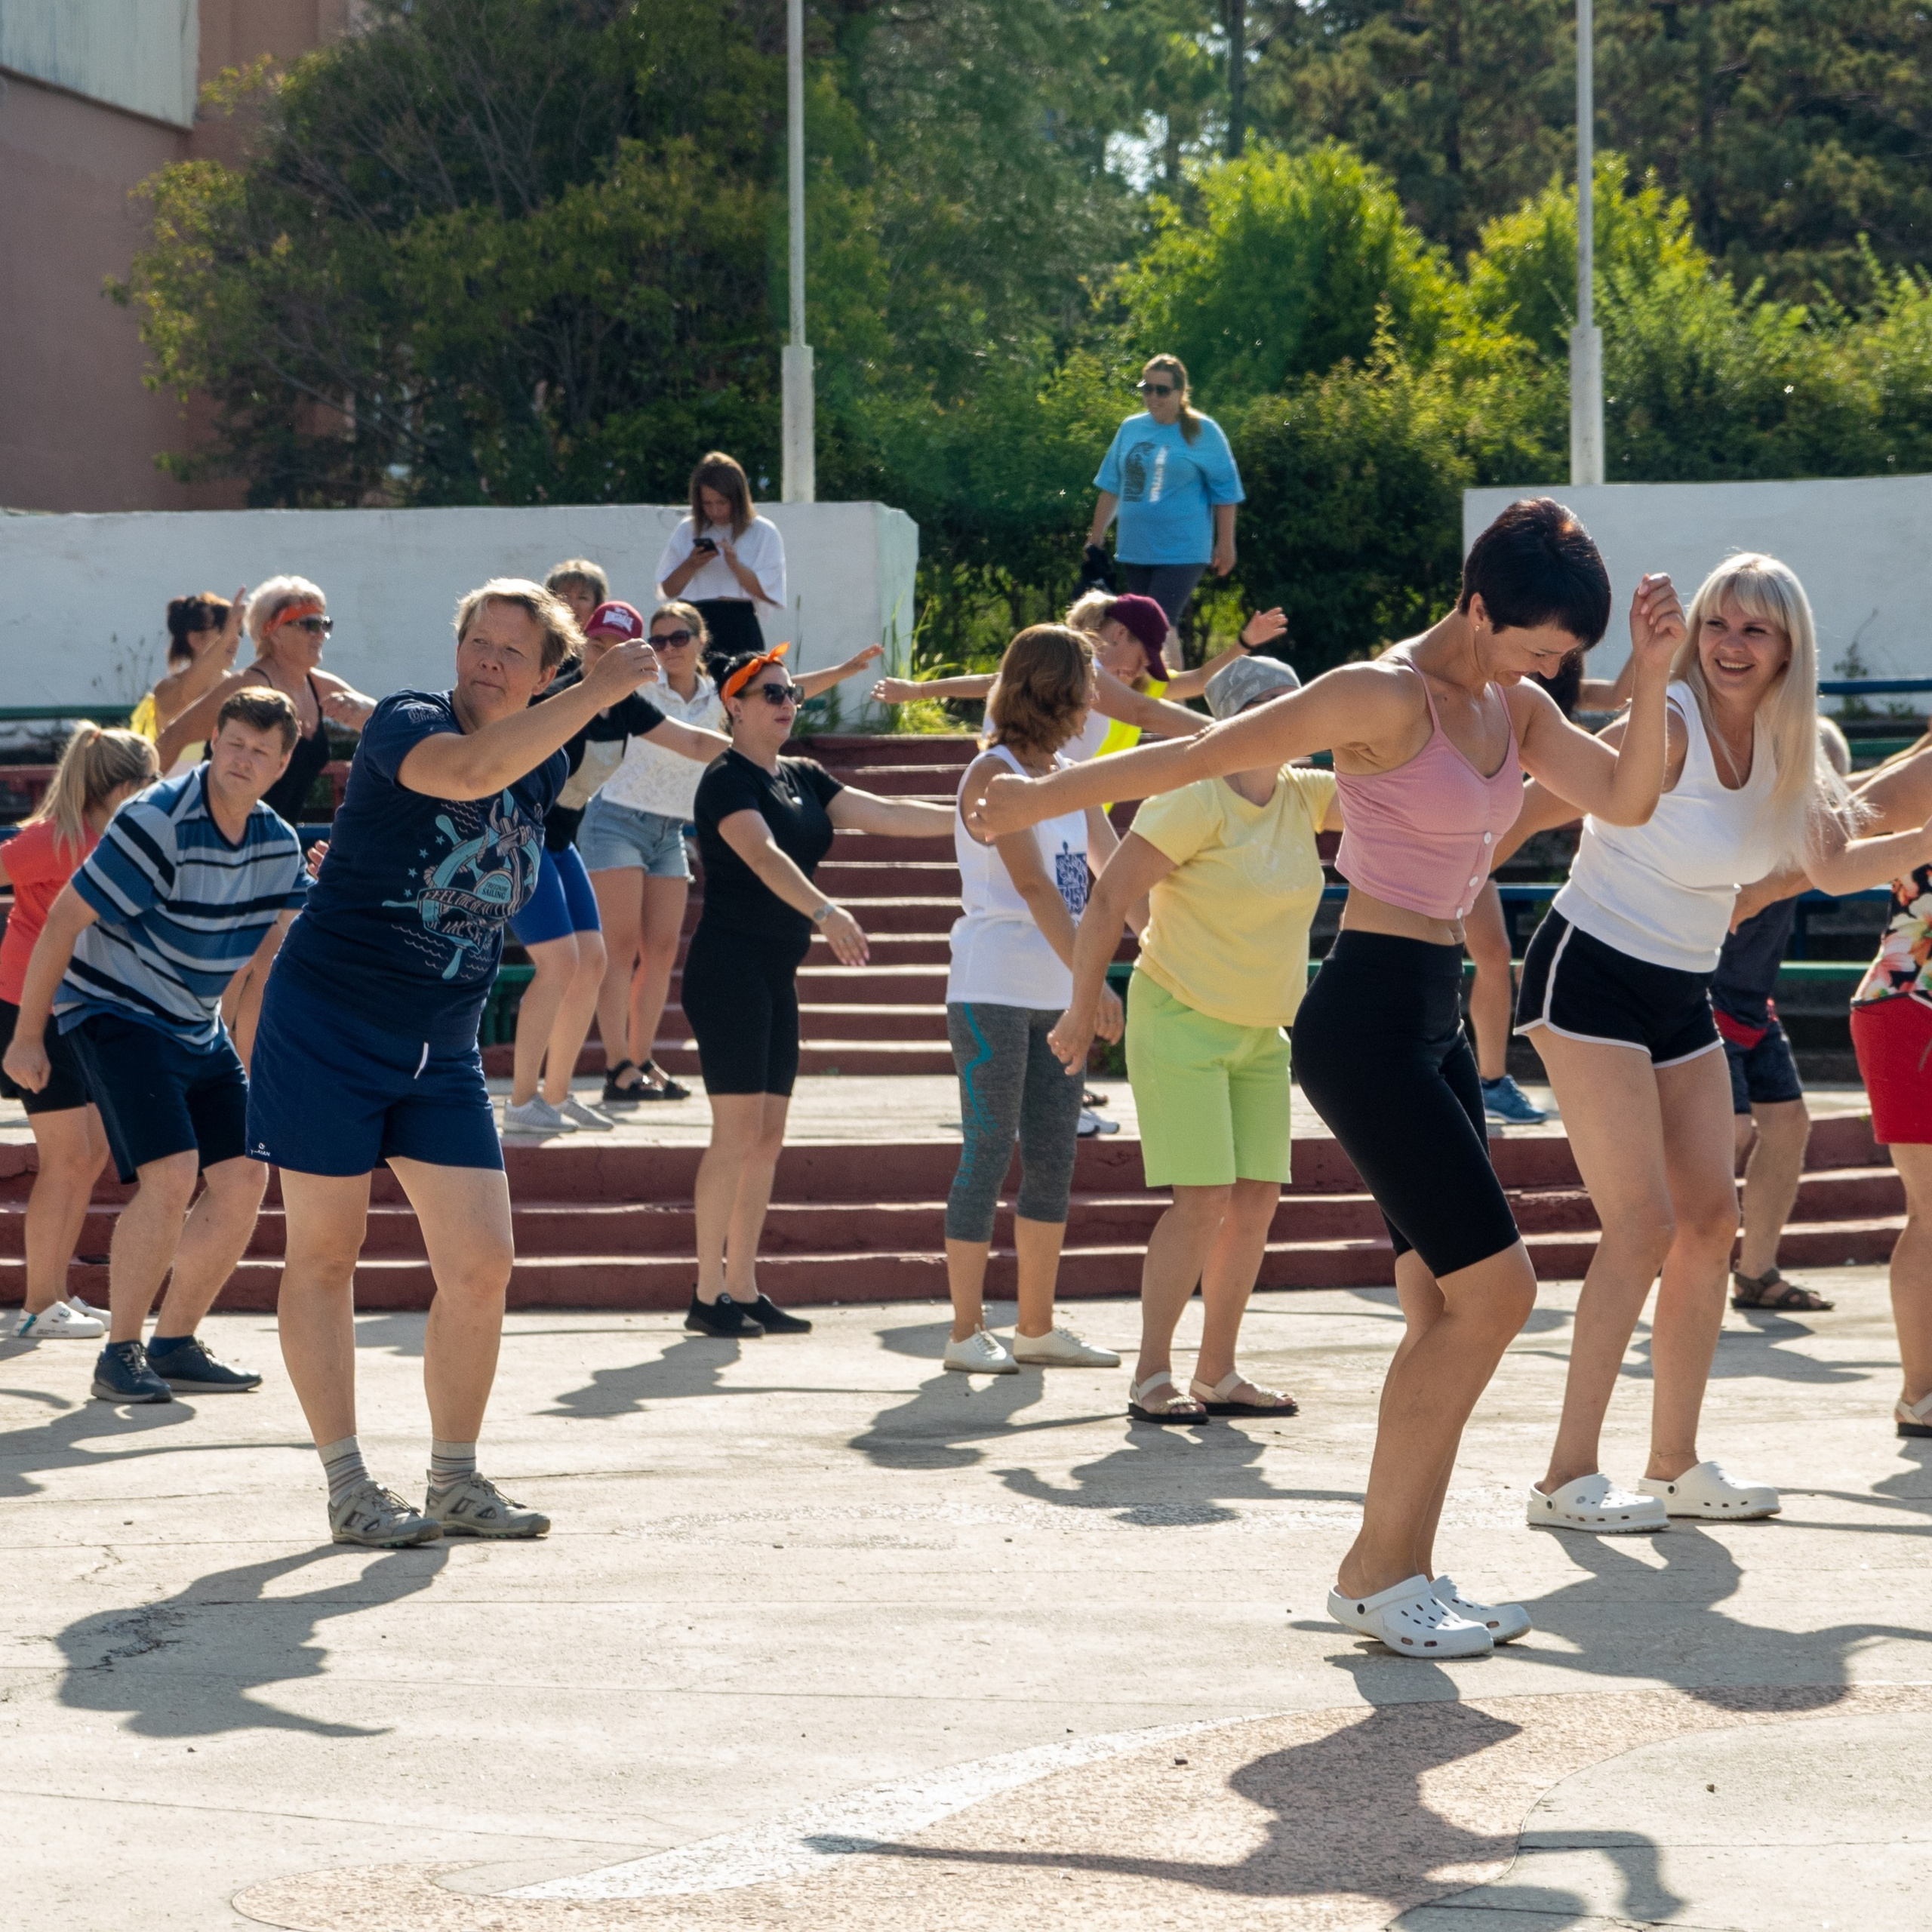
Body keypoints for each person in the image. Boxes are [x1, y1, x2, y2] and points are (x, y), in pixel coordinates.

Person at [964, 497, 1683, 1660]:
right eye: (1540, 642)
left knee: (1447, 1307)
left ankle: (1400, 1570)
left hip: (1436, 1017)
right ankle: (1373, 1571)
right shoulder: (1381, 695)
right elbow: (1206, 752)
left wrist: (1650, 678)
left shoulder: (1521, 707)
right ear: (1479, 604)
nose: (1553, 666)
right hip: (1363, 1018)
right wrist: (1040, 796)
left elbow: (1629, 796)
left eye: (1568, 655)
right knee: (1497, 1295)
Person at [1499, 553, 1929, 1536]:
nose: (1734, 646)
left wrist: (1924, 833)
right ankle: (1567, 1478)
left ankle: (1673, 1463)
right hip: (1589, 971)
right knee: (1643, 1224)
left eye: (1757, 630)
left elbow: (1831, 863)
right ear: (1696, 633)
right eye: (1720, 625)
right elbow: (1539, 802)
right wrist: (1448, 893)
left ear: (1788, 649)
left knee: (1710, 1226)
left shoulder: (1788, 751)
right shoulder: (1674, 724)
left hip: (1677, 990)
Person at [248, 578, 660, 1548]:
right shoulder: (408, 718)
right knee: (324, 1253)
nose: (487, 660)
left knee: (481, 1264)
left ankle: (455, 1481)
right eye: (478, 640)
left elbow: (506, 835)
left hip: (442, 1046)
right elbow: (465, 775)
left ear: (544, 671)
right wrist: (598, 692)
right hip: (328, 1025)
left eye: (513, 652)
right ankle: (350, 1485)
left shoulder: (543, 760)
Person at [2, 690, 311, 1404]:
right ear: (214, 741)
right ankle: (120, 1352)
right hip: (110, 1008)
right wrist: (25, 1037)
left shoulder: (277, 843)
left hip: (195, 1022)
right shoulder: (156, 820)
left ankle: (175, 1342)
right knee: (171, 1174)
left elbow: (280, 960)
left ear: (284, 762)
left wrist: (273, 1062)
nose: (245, 759)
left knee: (243, 1179)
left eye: (263, 751)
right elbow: (62, 924)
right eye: (235, 742)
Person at [1047, 653, 1330, 1421]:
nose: (1303, 713)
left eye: (1303, 701)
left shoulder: (1305, 795)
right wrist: (1081, 1007)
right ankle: (1150, 1374)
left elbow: (1404, 783)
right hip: (1179, 1019)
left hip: (1261, 1031)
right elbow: (1108, 898)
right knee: (1201, 1199)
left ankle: (1218, 1372)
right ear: (1242, 717)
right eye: (1283, 702)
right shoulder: (1194, 796)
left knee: (1258, 1200)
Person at [682, 644, 955, 1339]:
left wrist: (975, 819)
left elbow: (886, 813)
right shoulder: (723, 781)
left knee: (768, 1139)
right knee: (736, 1134)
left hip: (776, 973)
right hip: (729, 971)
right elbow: (761, 855)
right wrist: (826, 912)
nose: (784, 704)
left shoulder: (803, 775)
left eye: (790, 694)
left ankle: (743, 1285)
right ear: (733, 706)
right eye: (769, 693)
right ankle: (706, 1293)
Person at [586, 604, 887, 1106]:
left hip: (672, 828)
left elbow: (783, 689)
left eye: (678, 637)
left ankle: (641, 1060)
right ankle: (617, 1066)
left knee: (660, 951)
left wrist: (847, 671)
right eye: (657, 641)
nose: (667, 649)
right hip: (618, 817)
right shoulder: (637, 685)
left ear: (700, 640)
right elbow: (593, 692)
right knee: (620, 948)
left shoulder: (721, 694)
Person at [940, 625, 1127, 1377]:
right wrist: (1094, 980)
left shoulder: (1070, 776)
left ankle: (1036, 1327)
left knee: (1052, 1159)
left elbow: (1115, 874)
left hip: (1059, 991)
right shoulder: (995, 771)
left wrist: (1167, 937)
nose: (1096, 700)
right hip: (992, 988)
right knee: (988, 1152)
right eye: (1088, 683)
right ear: (1055, 690)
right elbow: (1032, 885)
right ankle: (963, 1331)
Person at [502, 601, 728, 1135]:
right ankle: (520, 1101)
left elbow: (695, 742)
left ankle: (556, 1097)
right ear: (584, 648)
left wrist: (762, 758)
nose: (606, 659)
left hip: (561, 844)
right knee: (560, 964)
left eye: (617, 650)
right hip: (521, 843)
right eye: (598, 646)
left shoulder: (626, 706)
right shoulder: (556, 700)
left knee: (595, 961)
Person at [1, 725, 160, 1340]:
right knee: (66, 1159)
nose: (155, 791)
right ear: (119, 785)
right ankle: (39, 1304)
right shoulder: (52, 840)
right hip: (30, 1012)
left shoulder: (116, 838)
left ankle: (55, 1294)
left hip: (81, 1012)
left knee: (89, 1154)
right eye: (146, 781)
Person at [1461, 651, 1639, 1126]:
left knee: (1495, 956)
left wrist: (1650, 646)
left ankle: (1490, 1081)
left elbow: (1621, 694)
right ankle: (1422, 1075)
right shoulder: (1487, 680)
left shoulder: (1555, 690)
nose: (1551, 653)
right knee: (1426, 952)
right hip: (1452, 835)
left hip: (1487, 839)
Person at [1715, 717, 1854, 1312]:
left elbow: (1850, 832)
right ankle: (1691, 1257)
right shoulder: (1743, 823)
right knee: (1733, 1130)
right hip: (1704, 996)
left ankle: (1756, 1271)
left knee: (1790, 1125)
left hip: (1751, 1003)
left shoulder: (1807, 834)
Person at [157, 576, 377, 825]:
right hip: (215, 838)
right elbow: (172, 737)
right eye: (309, 625)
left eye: (324, 624)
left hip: (274, 843)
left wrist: (369, 710)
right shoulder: (250, 685)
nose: (320, 634)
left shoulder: (317, 685)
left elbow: (389, 726)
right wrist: (143, 812)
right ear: (273, 632)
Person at [1086, 355, 1244, 629]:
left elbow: (1226, 492)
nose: (1153, 397)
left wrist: (1226, 543)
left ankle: (1172, 674)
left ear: (1181, 392)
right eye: (1147, 388)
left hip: (1182, 550)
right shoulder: (1131, 428)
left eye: (1162, 390)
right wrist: (1096, 536)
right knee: (1140, 628)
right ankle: (1163, 673)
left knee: (1158, 625)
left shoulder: (1204, 432)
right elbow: (1111, 486)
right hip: (1135, 549)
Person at [654, 452, 786, 663]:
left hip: (739, 620)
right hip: (693, 622)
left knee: (744, 689)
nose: (715, 510)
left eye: (722, 502)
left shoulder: (763, 532)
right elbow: (666, 590)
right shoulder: (687, 529)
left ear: (738, 498)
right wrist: (691, 564)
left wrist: (736, 566)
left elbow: (770, 592)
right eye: (707, 503)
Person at [130, 591, 247, 771]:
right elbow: (189, 692)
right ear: (195, 639)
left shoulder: (237, 688)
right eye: (225, 630)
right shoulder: (166, 688)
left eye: (239, 631)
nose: (235, 639)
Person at [544, 558, 609, 633]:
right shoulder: (537, 640)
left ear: (597, 605)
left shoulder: (607, 642)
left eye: (582, 598)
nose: (573, 605)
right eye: (565, 596)